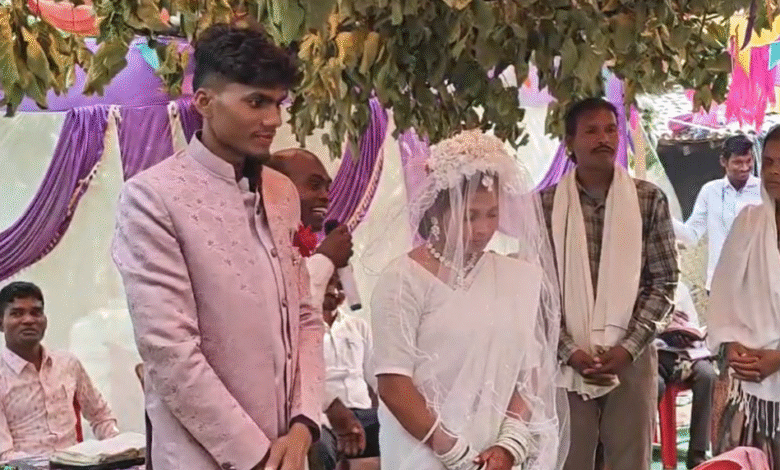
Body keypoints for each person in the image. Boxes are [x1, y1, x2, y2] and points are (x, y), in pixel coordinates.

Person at [112, 24, 323, 470]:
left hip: (289, 449)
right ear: (204, 102)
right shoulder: (153, 197)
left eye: (279, 103)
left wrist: (304, 425)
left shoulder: (281, 191)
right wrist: (257, 456)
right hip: (205, 457)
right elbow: (169, 350)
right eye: (256, 102)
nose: (274, 120)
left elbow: (305, 316)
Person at [372, 130, 567, 470]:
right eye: (469, 216)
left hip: (496, 453)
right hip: (424, 452)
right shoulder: (402, 280)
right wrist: (455, 454)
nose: (483, 229)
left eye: (492, 214)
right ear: (437, 210)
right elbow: (393, 383)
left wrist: (509, 444)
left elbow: (531, 370)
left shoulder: (514, 277)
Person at [539, 97, 678, 470]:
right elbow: (537, 291)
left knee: (630, 461)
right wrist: (569, 349)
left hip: (631, 355)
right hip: (565, 359)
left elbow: (664, 281)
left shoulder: (648, 199)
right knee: (569, 459)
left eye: (610, 129)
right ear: (570, 143)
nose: (604, 139)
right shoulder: (545, 206)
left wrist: (627, 348)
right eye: (591, 131)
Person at [708, 125, 780, 469]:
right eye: (769, 162)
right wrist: (732, 344)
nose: (774, 172)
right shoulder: (748, 222)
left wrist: (777, 359)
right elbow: (723, 295)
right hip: (748, 385)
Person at [0, 282, 119, 461]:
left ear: (45, 320)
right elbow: (4, 459)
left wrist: (118, 450)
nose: (28, 320)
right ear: (1, 323)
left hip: (78, 463)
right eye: (17, 313)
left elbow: (101, 416)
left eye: (36, 312)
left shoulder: (67, 364)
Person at [673, 134, 763, 291]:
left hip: (756, 284)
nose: (744, 168)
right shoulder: (710, 191)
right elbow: (691, 235)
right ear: (723, 161)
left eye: (748, 161)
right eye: (738, 162)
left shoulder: (764, 191)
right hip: (720, 284)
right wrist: (663, 216)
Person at [266, 148, 353, 308]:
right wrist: (326, 258)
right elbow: (286, 307)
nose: (326, 197)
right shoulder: (259, 245)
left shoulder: (302, 251)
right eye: (314, 185)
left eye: (327, 188)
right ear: (276, 188)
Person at [310, 274, 379, 470]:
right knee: (319, 446)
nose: (334, 291)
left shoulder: (359, 327)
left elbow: (376, 378)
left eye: (340, 286)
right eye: (328, 283)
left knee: (402, 434)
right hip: (326, 418)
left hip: (365, 415)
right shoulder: (304, 329)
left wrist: (389, 414)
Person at [655, 281, 716, 468]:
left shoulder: (681, 289)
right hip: (657, 355)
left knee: (707, 375)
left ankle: (697, 454)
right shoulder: (644, 289)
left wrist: (687, 334)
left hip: (687, 354)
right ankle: (643, 449)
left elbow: (693, 325)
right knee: (654, 385)